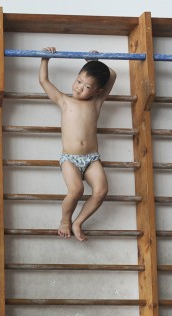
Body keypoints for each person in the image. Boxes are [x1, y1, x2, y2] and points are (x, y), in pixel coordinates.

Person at [39, 48, 117, 241]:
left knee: (101, 191)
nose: (79, 87)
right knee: (76, 191)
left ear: (98, 91)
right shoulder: (64, 101)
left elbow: (113, 75)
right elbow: (44, 81)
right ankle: (65, 220)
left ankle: (78, 222)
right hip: (70, 159)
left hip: (92, 158)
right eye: (79, 81)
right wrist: (45, 58)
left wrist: (95, 60)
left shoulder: (97, 102)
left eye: (87, 86)